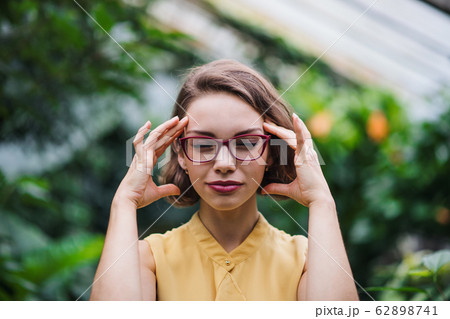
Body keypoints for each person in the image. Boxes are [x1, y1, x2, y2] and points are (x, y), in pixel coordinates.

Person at [89, 59, 359, 301]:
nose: (225, 164)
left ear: (272, 153)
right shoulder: (148, 260)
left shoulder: (307, 261)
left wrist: (321, 201)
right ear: (181, 154)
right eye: (203, 145)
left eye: (246, 143)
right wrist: (124, 201)